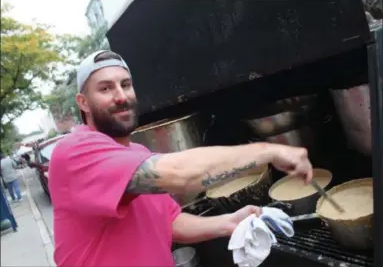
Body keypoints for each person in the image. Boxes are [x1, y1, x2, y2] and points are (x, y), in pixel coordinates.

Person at [49, 50, 313, 267]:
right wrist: (268, 151)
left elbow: (169, 221)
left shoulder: (137, 154)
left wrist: (228, 223)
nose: (121, 96)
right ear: (83, 102)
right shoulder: (75, 152)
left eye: (126, 85)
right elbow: (180, 176)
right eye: (105, 88)